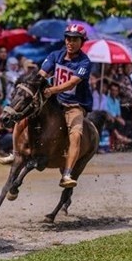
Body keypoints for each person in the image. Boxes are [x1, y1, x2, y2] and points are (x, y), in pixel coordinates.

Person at [38, 24, 93, 188]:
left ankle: (67, 173)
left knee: (76, 134)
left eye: (75, 39)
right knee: (26, 114)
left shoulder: (85, 62)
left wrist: (51, 90)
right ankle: (16, 153)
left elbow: (71, 84)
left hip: (74, 105)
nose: (71, 42)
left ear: (82, 42)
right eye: (68, 38)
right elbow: (41, 74)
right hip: (55, 101)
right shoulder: (55, 55)